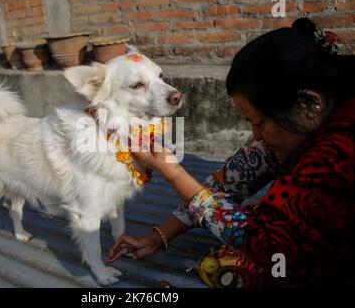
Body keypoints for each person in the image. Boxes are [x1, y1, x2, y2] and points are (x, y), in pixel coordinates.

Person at [108, 18, 355, 287]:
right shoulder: (303, 120)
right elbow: (234, 178)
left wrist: (172, 172)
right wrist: (160, 235)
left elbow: (269, 247)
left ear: (310, 103)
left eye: (259, 122)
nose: (256, 136)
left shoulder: (339, 153)